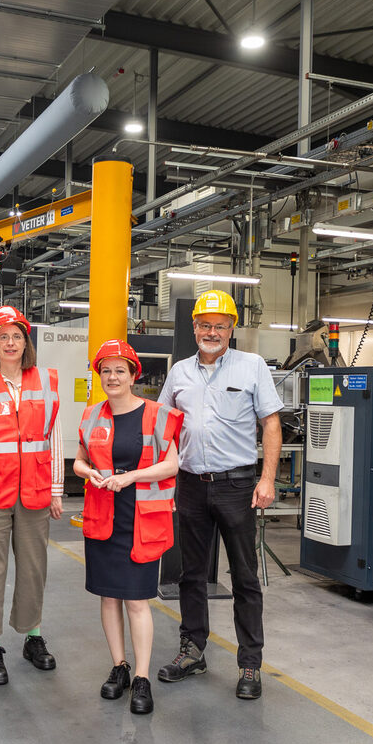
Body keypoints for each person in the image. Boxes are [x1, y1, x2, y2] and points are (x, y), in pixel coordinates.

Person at [156, 290, 282, 700]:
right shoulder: (179, 372)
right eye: (205, 325)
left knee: (244, 577)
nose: (212, 332)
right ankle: (192, 649)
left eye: (220, 326)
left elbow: (271, 424)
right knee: (191, 574)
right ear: (194, 327)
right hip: (191, 485)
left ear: (232, 329)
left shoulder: (252, 366)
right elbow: (161, 425)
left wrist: (267, 479)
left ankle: (250, 663)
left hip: (238, 485)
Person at [74, 340, 182, 714]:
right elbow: (80, 461)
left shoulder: (158, 414)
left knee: (137, 601)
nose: (112, 377)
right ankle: (118, 666)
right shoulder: (91, 416)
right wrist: (87, 471)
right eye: (106, 370)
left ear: (134, 375)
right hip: (104, 516)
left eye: (120, 370)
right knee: (108, 597)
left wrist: (130, 477)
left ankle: (142, 677)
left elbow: (171, 465)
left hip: (140, 520)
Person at [0, 305, 64, 685]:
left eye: (16, 336)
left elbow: (52, 436)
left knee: (34, 570)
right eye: (2, 336)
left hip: (36, 491)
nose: (10, 342)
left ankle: (32, 637)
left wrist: (57, 489)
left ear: (26, 341)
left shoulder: (48, 381)